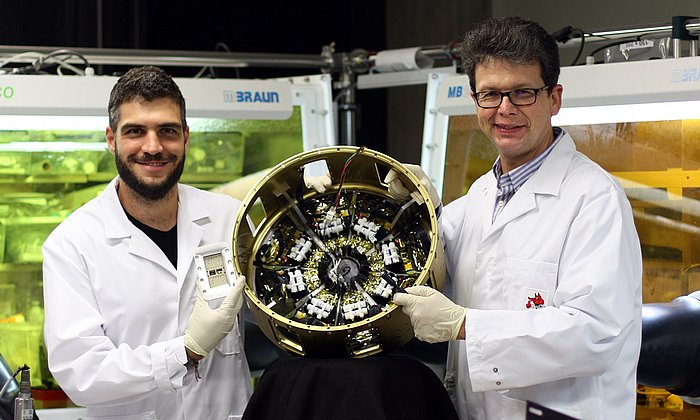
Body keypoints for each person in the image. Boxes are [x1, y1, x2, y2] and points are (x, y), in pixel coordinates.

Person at [387, 17, 643, 419]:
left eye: (522, 92)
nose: (504, 110)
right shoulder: (478, 198)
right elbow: (435, 268)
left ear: (554, 98)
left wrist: (465, 325)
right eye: (490, 94)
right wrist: (420, 211)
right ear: (475, 101)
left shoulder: (594, 199)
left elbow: (596, 333)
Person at [42, 66, 252, 419]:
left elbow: (279, 310)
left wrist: (307, 216)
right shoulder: (72, 244)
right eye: (136, 131)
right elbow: (82, 374)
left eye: (167, 131)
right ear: (112, 139)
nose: (153, 147)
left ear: (186, 137)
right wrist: (186, 351)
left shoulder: (227, 219)